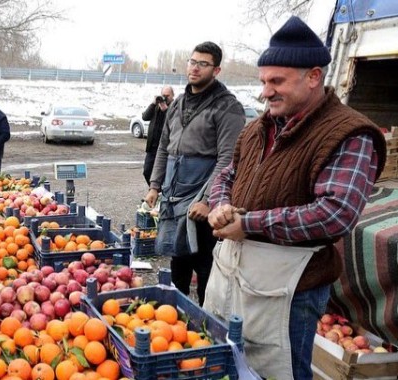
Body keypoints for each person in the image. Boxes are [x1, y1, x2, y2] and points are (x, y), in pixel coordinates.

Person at [204, 16, 386, 379]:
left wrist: (248, 224)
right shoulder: (258, 127)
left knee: (279, 370)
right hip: (233, 272)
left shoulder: (349, 134)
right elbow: (227, 173)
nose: (265, 91)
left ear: (314, 77)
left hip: (289, 291)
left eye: (276, 81)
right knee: (224, 359)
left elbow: (334, 214)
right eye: (263, 81)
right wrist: (221, 204)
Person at [144, 41, 245, 306]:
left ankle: (206, 326)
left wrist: (209, 200)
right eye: (192, 61)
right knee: (178, 261)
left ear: (217, 70)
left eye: (203, 64)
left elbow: (228, 158)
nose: (195, 68)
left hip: (202, 198)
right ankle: (175, 321)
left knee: (205, 267)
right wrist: (155, 185)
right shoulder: (177, 104)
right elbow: (164, 148)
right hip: (174, 193)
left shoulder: (227, 107)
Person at [141, 86, 175, 185]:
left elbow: (174, 122)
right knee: (147, 171)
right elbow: (145, 117)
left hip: (166, 148)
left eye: (167, 96)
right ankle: (155, 191)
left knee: (163, 174)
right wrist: (153, 103)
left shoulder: (175, 106)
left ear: (173, 95)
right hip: (152, 147)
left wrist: (166, 110)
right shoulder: (156, 106)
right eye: (163, 95)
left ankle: (159, 193)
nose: (165, 98)